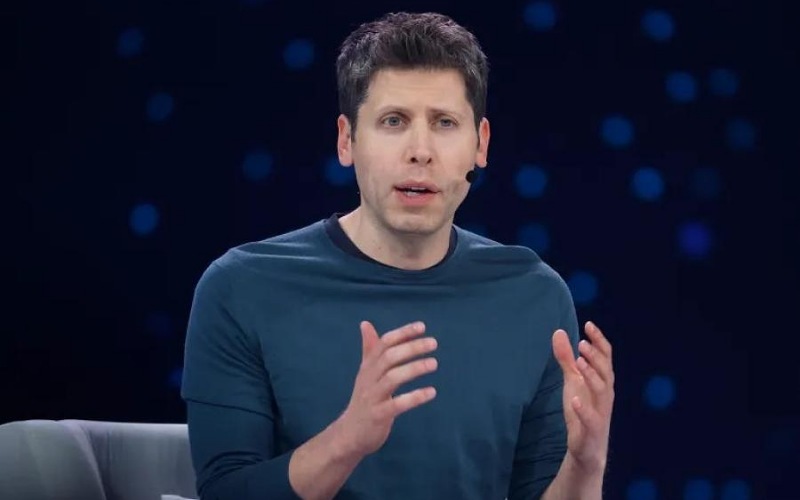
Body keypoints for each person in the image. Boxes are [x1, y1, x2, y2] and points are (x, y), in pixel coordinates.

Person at [180, 11, 615, 500]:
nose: (420, 151)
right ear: (347, 140)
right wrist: (347, 441)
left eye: (445, 123)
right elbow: (226, 491)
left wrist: (586, 465)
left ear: (481, 144)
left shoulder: (534, 295)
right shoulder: (242, 288)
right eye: (394, 121)